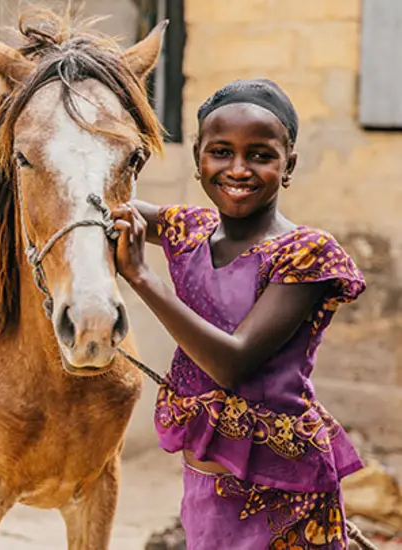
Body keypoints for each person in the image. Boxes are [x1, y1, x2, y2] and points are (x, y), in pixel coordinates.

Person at [111, 79, 366, 549]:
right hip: (204, 491)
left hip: (284, 499)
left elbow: (234, 362)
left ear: (289, 165)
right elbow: (106, 211)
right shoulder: (189, 230)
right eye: (221, 152)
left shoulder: (306, 254)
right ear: (197, 159)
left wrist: (143, 279)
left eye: (261, 155)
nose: (239, 169)